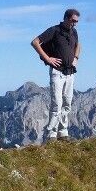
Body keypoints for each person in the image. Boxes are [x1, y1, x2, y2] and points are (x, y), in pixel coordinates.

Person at [31, 8, 80, 142]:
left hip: (70, 72)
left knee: (67, 103)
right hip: (57, 72)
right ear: (66, 18)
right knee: (57, 103)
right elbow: (35, 42)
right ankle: (51, 134)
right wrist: (47, 58)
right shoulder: (54, 30)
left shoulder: (74, 32)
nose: (75, 24)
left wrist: (76, 58)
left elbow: (78, 45)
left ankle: (63, 133)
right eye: (73, 21)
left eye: (76, 21)